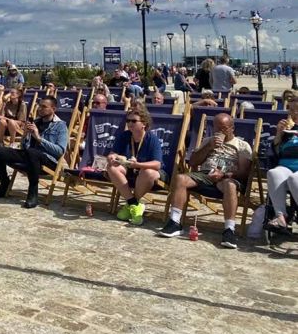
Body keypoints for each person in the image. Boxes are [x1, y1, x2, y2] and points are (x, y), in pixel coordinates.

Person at [158, 113, 251, 248]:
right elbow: (194, 161)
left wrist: (224, 175)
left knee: (230, 186)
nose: (219, 132)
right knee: (180, 178)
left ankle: (229, 230)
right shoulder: (208, 141)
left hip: (227, 178)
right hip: (205, 174)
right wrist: (208, 147)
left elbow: (243, 172)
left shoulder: (242, 145)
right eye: (216, 128)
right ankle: (174, 222)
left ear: (232, 128)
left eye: (223, 128)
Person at [0, 96, 68, 208]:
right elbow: (24, 147)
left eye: (44, 107)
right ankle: (4, 183)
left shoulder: (60, 126)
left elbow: (60, 151)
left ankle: (33, 192)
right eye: (39, 106)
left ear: (53, 109)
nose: (40, 109)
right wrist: (25, 135)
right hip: (30, 157)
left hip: (48, 160)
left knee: (32, 153)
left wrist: (39, 138)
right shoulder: (35, 122)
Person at [106, 102, 163, 225]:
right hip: (130, 169)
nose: (130, 123)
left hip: (146, 171)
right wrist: (112, 157)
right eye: (128, 121)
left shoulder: (152, 139)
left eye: (133, 121)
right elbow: (113, 153)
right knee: (112, 168)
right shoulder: (125, 136)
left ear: (144, 124)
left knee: (148, 172)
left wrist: (138, 165)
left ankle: (131, 204)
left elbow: (157, 164)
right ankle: (134, 204)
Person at [263, 99, 298, 232]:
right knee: (274, 173)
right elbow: (275, 151)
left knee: (294, 179)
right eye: (291, 109)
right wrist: (279, 133)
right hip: (285, 165)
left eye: (296, 109)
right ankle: (281, 217)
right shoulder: (287, 127)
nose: (293, 113)